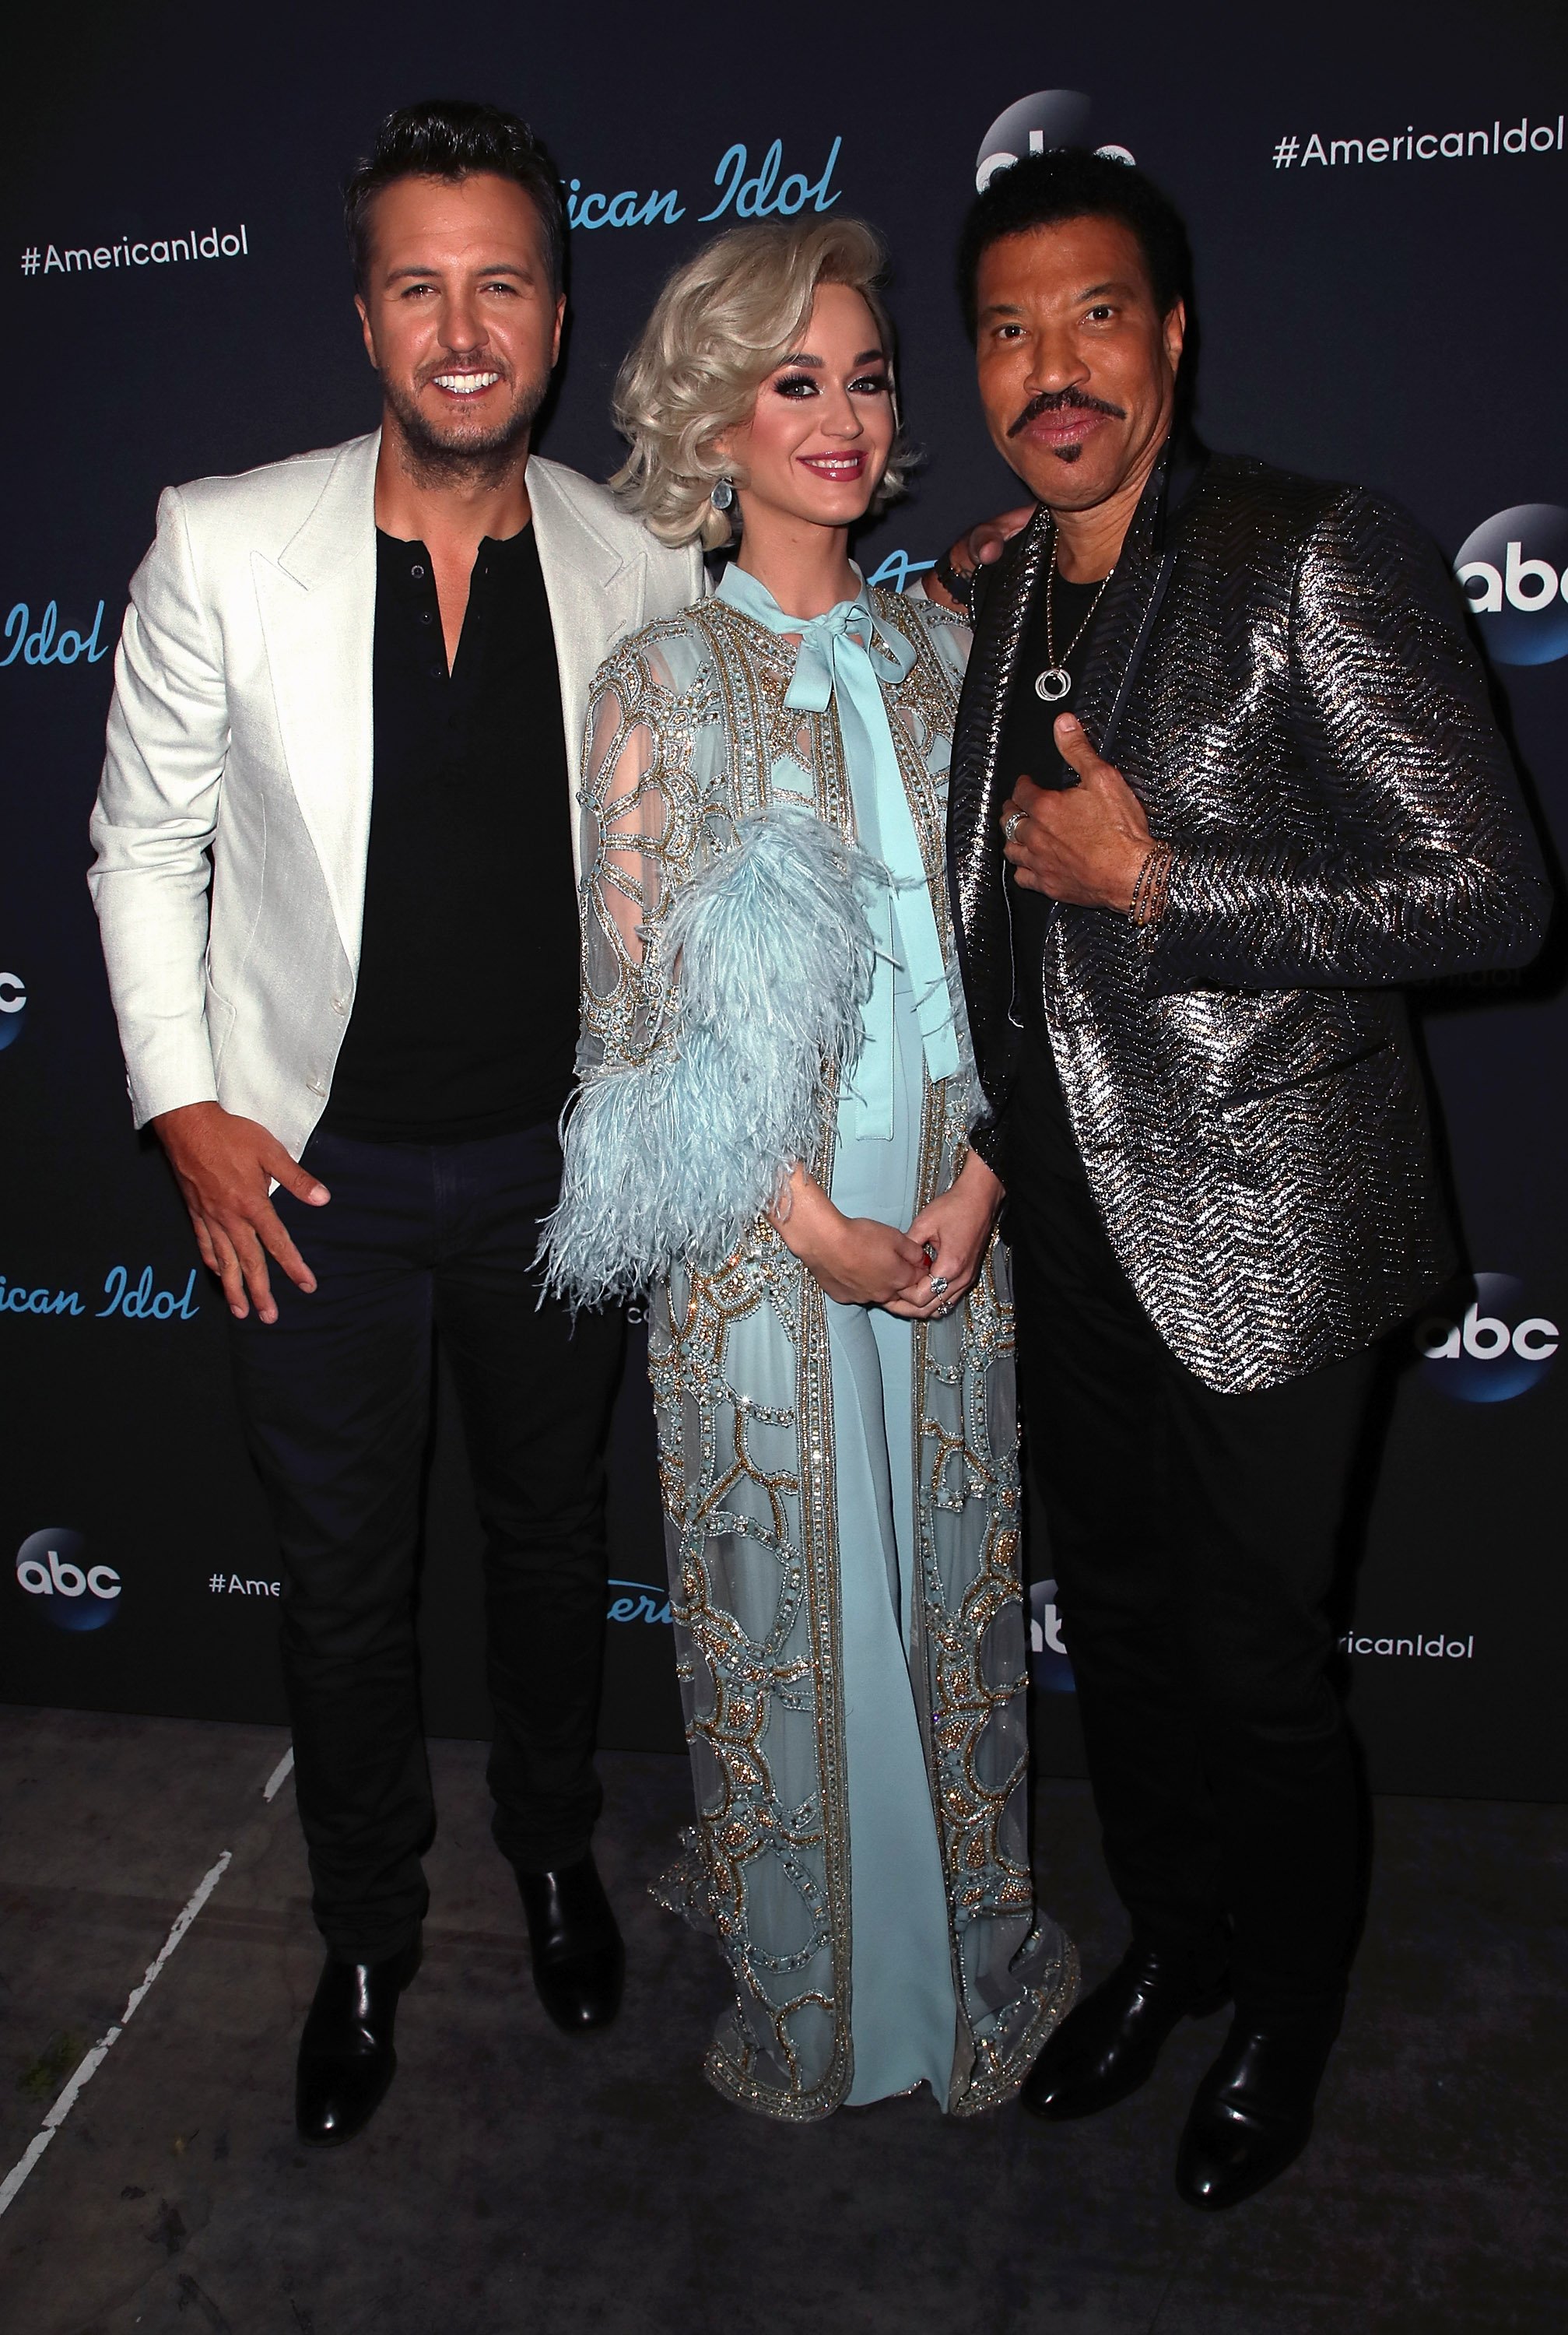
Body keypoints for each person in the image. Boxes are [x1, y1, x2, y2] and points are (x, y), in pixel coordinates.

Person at [931, 149, 1548, 2207]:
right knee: (1117, 1628)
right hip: (1064, 1227)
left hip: (1269, 1226)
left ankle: (1285, 2003)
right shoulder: (1002, 579)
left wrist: (1167, 882)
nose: (1056, 365)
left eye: (1096, 314)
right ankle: (1174, 1941)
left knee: (1261, 1671)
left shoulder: (1319, 553)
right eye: (1011, 330)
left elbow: (1486, 894)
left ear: (1173, 332)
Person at [87, 99, 705, 2149]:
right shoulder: (220, 540)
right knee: (342, 1585)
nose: (463, 325)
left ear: (553, 310)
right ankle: (362, 1930)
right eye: (420, 284)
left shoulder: (646, 564)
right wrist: (185, 1103)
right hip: (311, 1187)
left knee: (547, 1551)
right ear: (366, 317)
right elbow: (138, 844)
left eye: (501, 282)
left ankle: (548, 1855)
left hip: (556, 1171)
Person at [543, 217, 1075, 2120]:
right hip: (757, 1227)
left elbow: (1025, 959)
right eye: (796, 381)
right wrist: (809, 1226)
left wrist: (986, 1183)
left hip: (953, 1187)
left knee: (946, 1584)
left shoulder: (954, 642)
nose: (843, 418)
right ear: (717, 412)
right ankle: (817, 1986)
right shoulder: (655, 688)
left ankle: (964, 1963)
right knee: (789, 1602)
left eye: (865, 378)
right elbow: (636, 1031)